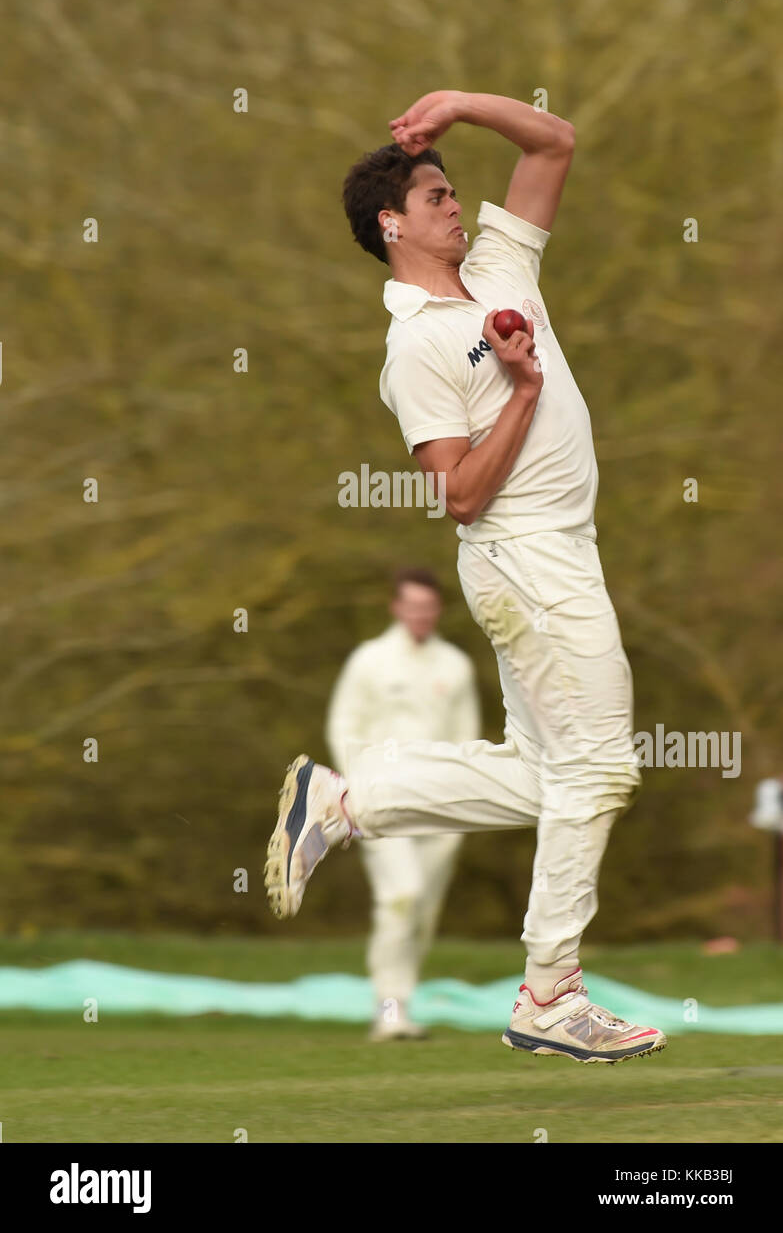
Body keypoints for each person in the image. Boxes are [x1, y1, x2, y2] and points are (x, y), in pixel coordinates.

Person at [266, 89, 667, 1065]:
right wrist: (523, 393)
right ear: (392, 222)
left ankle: (344, 803)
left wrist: (460, 105)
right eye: (438, 193)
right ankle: (549, 994)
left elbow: (556, 141)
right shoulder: (418, 343)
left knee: (549, 776)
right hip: (522, 557)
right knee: (601, 768)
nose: (458, 203)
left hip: (565, 553)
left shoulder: (497, 267)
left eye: (456, 189)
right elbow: (458, 496)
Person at [326, 567, 481, 1041]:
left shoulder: (455, 664)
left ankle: (403, 1007)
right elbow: (344, 726)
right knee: (401, 895)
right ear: (396, 607)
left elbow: (466, 736)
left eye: (429, 607)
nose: (421, 615)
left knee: (425, 908)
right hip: (383, 801)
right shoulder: (370, 660)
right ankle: (387, 1009)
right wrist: (357, 790)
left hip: (440, 804)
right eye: (413, 606)